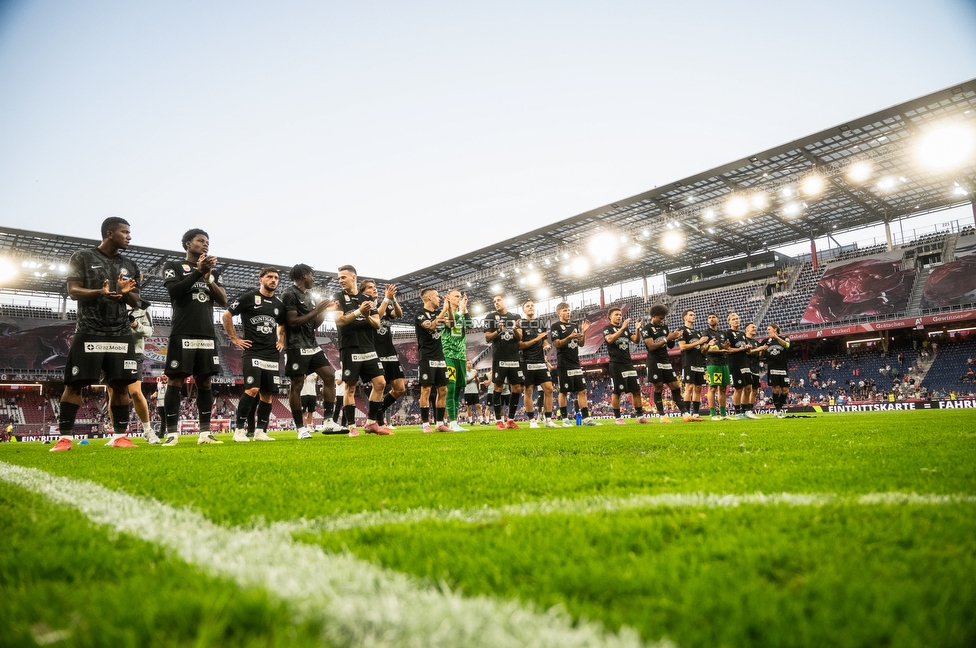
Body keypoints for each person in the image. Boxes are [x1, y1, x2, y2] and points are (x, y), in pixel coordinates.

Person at [51, 217, 142, 452]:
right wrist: (100, 293)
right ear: (110, 233)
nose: (129, 236)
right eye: (125, 232)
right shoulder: (82, 257)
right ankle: (64, 439)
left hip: (120, 333)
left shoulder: (130, 265)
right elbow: (73, 291)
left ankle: (121, 436)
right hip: (89, 331)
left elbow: (137, 300)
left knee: (120, 386)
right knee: (74, 384)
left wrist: (125, 293)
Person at [160, 228, 228, 446]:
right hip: (183, 331)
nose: (205, 244)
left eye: (207, 241)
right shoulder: (173, 266)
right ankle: (172, 432)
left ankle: (205, 433)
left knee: (205, 381)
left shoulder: (211, 272)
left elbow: (223, 300)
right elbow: (174, 292)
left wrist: (208, 277)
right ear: (188, 244)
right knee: (176, 379)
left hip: (207, 332)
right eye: (200, 241)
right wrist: (199, 272)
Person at [222, 266, 286, 442]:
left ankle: (260, 431)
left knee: (267, 394)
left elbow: (282, 324)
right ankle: (239, 431)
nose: (274, 280)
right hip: (253, 352)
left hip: (271, 355)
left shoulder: (279, 305)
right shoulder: (249, 298)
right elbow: (226, 315)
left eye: (276, 278)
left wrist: (281, 340)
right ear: (261, 279)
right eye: (270, 277)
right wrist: (234, 339)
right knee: (252, 389)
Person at [281, 264, 343, 439]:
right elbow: (292, 322)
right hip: (295, 346)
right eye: (311, 275)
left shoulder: (309, 296)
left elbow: (313, 324)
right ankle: (301, 429)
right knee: (297, 385)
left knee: (329, 376)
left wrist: (323, 311)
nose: (313, 279)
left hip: (312, 345)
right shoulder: (289, 294)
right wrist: (317, 310)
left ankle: (329, 421)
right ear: (303, 275)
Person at [334, 265, 390, 436]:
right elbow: (339, 321)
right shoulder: (338, 297)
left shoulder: (366, 297)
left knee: (380, 383)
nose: (340, 281)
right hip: (349, 347)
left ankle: (371, 423)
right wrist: (359, 311)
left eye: (343, 277)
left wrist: (366, 315)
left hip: (368, 346)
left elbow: (376, 323)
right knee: (350, 387)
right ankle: (352, 426)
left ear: (354, 277)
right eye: (339, 278)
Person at [360, 280, 405, 428]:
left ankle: (381, 408)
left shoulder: (384, 306)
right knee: (379, 386)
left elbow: (399, 314)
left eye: (375, 287)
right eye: (370, 288)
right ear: (363, 292)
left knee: (400, 388)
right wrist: (386, 299)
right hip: (375, 352)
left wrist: (393, 299)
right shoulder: (364, 307)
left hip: (390, 352)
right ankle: (376, 420)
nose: (374, 289)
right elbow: (377, 316)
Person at [550, 302, 597, 426]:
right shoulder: (555, 326)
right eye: (565, 310)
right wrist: (569, 337)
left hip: (575, 363)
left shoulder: (574, 325)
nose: (568, 312)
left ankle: (587, 419)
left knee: (582, 391)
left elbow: (581, 344)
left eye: (568, 310)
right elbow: (557, 344)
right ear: (559, 312)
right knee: (564, 391)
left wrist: (584, 332)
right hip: (564, 363)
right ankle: (565, 419)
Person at [640, 304, 689, 422]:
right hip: (654, 361)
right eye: (660, 318)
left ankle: (685, 414)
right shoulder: (646, 328)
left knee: (675, 386)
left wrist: (674, 337)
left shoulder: (664, 327)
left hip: (665, 360)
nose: (662, 320)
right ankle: (662, 416)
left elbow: (670, 346)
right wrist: (667, 338)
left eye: (663, 318)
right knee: (658, 387)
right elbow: (651, 346)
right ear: (654, 316)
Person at [603, 307, 648, 424]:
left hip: (628, 363)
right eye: (616, 314)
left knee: (636, 390)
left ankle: (640, 417)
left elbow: (636, 340)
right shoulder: (607, 329)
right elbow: (610, 340)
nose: (619, 316)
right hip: (616, 364)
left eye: (620, 314)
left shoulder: (626, 329)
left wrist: (638, 329)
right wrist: (622, 328)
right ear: (610, 317)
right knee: (617, 391)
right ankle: (618, 418)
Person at [414, 288, 451, 432]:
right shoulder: (419, 314)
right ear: (429, 298)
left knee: (443, 389)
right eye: (437, 296)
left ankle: (440, 423)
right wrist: (444, 311)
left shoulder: (438, 313)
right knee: (426, 389)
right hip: (426, 356)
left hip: (440, 356)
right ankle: (425, 424)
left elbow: (452, 324)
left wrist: (449, 309)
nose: (439, 299)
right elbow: (432, 326)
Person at [485, 294, 524, 429]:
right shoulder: (491, 317)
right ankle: (499, 421)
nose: (496, 303)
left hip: (514, 357)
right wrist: (499, 330)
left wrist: (513, 328)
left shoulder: (516, 317)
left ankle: (511, 420)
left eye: (499, 300)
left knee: (517, 388)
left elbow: (520, 337)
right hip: (499, 357)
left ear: (505, 301)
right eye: (494, 301)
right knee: (498, 387)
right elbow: (488, 338)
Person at [519, 299, 556, 428]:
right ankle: (532, 420)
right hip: (527, 361)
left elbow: (545, 340)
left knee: (549, 389)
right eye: (527, 306)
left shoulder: (540, 323)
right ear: (523, 310)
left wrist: (546, 345)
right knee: (528, 391)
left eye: (532, 306)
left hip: (540, 361)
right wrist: (537, 339)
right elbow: (520, 346)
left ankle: (548, 420)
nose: (530, 307)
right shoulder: (521, 324)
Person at [441, 289, 471, 431]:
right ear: (448, 298)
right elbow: (451, 324)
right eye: (456, 296)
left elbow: (470, 326)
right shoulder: (444, 313)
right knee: (451, 387)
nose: (459, 298)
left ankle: (455, 422)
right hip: (448, 355)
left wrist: (465, 311)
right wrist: (461, 310)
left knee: (458, 389)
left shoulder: (463, 314)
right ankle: (452, 422)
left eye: (460, 296)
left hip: (461, 357)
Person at [678, 309, 709, 421]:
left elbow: (702, 351)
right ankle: (686, 414)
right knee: (689, 387)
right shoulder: (682, 330)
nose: (693, 317)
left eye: (694, 315)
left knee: (698, 388)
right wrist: (699, 342)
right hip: (688, 362)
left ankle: (695, 413)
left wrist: (707, 346)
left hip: (699, 362)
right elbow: (682, 347)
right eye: (691, 315)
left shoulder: (698, 332)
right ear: (685, 317)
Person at [703, 312, 731, 420]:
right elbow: (704, 349)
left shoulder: (722, 333)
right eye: (709, 318)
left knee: (723, 389)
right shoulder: (706, 333)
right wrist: (711, 346)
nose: (711, 319)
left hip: (724, 363)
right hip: (712, 364)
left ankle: (723, 414)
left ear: (718, 319)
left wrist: (725, 347)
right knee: (713, 388)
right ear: (707, 321)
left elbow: (724, 347)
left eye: (713, 317)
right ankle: (713, 414)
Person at [725, 313, 753, 420]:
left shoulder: (742, 334)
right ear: (729, 322)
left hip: (745, 363)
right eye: (733, 319)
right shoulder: (728, 333)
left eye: (737, 319)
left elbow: (747, 351)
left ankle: (745, 411)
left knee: (748, 388)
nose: (736, 320)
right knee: (738, 388)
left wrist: (748, 347)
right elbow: (728, 350)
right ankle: (737, 412)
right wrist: (742, 349)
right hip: (735, 364)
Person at [765, 323, 791, 417]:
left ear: (775, 329)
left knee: (785, 390)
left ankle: (778, 407)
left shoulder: (784, 338)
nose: (767, 331)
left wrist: (776, 338)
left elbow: (787, 346)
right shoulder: (766, 341)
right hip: (772, 368)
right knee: (775, 389)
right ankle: (778, 410)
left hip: (783, 368)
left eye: (769, 329)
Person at [744, 322, 766, 419]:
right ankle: (743, 410)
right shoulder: (744, 340)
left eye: (755, 327)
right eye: (752, 327)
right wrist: (759, 349)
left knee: (755, 390)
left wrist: (762, 350)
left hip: (755, 368)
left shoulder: (756, 342)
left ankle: (750, 410)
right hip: (746, 367)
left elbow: (759, 356)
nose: (754, 328)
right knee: (747, 389)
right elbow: (746, 352)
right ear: (747, 329)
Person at [463, 360, 483, 425]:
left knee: (478, 406)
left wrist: (476, 377)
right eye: (469, 363)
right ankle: (471, 421)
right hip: (468, 392)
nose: (470, 364)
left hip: (475, 392)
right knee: (469, 407)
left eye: (471, 363)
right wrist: (473, 376)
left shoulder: (474, 372)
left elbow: (478, 382)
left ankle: (481, 420)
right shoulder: (464, 372)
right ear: (466, 364)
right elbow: (466, 382)